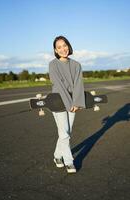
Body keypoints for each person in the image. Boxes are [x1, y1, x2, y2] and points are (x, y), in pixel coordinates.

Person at [49, 35, 85, 173]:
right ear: (55, 50)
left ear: (68, 46)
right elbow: (58, 86)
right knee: (64, 134)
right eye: (59, 47)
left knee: (66, 133)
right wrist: (70, 103)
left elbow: (78, 85)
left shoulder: (76, 65)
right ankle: (69, 161)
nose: (63, 49)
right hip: (57, 102)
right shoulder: (53, 64)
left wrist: (76, 103)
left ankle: (57, 156)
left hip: (73, 103)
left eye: (64, 46)